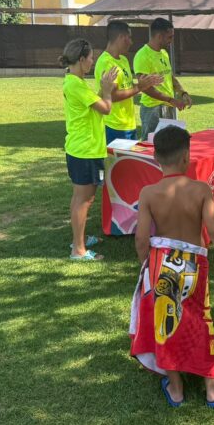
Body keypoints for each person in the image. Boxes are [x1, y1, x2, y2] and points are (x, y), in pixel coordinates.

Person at [130, 126, 214, 408]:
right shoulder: (201, 190)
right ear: (187, 158)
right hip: (194, 263)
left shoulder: (148, 193)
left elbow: (141, 237)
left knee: (164, 320)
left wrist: (145, 264)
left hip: (160, 262)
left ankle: (177, 387)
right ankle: (211, 387)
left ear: (156, 158)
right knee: (198, 319)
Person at [62, 39, 117, 260]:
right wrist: (107, 90)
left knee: (83, 198)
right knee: (83, 199)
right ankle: (78, 249)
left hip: (86, 150)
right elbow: (106, 108)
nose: (93, 61)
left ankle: (80, 238)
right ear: (82, 59)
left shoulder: (76, 82)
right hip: (84, 151)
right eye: (91, 58)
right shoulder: (75, 84)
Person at [95, 21, 164, 143]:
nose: (131, 42)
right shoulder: (106, 63)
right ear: (121, 37)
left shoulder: (123, 60)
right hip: (114, 125)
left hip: (129, 124)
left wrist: (147, 82)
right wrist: (139, 87)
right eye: (129, 37)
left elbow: (127, 85)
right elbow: (112, 95)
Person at [135, 18, 193, 140]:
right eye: (170, 37)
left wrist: (182, 92)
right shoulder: (142, 56)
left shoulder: (164, 53)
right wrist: (171, 100)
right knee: (151, 146)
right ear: (160, 36)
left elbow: (170, 77)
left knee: (170, 145)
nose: (171, 41)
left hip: (168, 107)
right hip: (152, 110)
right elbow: (145, 88)